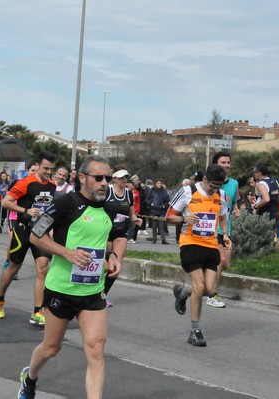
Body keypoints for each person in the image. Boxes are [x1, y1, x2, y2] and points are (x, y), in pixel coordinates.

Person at [17, 155, 119, 399]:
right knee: (51, 348)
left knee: (96, 348)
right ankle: (29, 378)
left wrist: (113, 256)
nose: (104, 183)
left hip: (92, 292)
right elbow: (36, 235)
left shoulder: (110, 207)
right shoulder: (65, 203)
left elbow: (115, 235)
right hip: (61, 289)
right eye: (99, 178)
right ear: (82, 178)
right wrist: (67, 253)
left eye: (108, 178)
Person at [167, 164, 231, 347]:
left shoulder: (221, 196)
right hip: (190, 243)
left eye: (219, 186)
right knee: (200, 285)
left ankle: (182, 292)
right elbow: (168, 216)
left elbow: (224, 217)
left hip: (210, 245)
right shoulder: (188, 191)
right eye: (212, 186)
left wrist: (225, 235)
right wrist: (183, 218)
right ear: (204, 179)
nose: (215, 190)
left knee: (210, 290)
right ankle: (195, 331)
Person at [0, 151, 56, 326]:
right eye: (45, 168)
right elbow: (6, 202)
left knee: (42, 269)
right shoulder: (25, 183)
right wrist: (25, 211)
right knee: (14, 267)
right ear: (37, 165)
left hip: (40, 232)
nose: (48, 172)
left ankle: (37, 311)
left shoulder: (52, 186)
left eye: (51, 169)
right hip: (23, 230)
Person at [103, 168, 141, 306]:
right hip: (106, 233)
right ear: (114, 179)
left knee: (116, 267)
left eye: (126, 177)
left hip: (121, 233)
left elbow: (131, 213)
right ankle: (92, 292)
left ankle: (103, 295)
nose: (124, 180)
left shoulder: (129, 193)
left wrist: (135, 219)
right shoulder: (107, 191)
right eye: (121, 177)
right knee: (106, 266)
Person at [208, 151, 239, 308]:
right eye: (223, 162)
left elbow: (233, 203)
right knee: (221, 260)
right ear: (215, 164)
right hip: (212, 229)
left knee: (226, 264)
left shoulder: (234, 183)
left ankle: (201, 286)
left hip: (226, 228)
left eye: (228, 162)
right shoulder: (210, 183)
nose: (226, 165)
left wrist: (236, 209)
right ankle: (212, 294)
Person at [252, 163, 279, 233]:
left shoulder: (260, 184)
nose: (253, 174)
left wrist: (256, 206)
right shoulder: (275, 181)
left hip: (266, 217)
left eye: (254, 172)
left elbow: (266, 199)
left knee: (264, 240)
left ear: (259, 173)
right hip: (276, 215)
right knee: (276, 240)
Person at [147, 178, 170, 244]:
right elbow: (147, 199)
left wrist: (164, 206)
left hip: (161, 211)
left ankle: (163, 240)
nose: (159, 184)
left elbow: (167, 200)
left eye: (160, 183)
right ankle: (154, 239)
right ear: (155, 184)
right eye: (158, 183)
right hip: (153, 210)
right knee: (154, 226)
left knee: (161, 226)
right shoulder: (152, 190)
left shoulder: (164, 191)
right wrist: (150, 203)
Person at [174, 178, 192, 245]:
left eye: (189, 184)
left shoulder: (191, 192)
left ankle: (187, 239)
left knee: (187, 227)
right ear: (183, 184)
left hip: (187, 213)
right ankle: (177, 238)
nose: (188, 186)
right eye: (186, 184)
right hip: (180, 212)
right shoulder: (180, 191)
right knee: (178, 225)